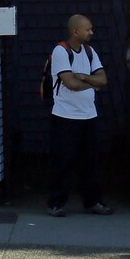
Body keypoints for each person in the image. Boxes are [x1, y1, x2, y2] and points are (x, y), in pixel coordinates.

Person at [44, 14, 112, 217]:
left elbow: (104, 79)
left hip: (89, 116)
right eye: (88, 29)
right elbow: (70, 84)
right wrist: (91, 82)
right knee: (63, 161)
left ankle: (93, 202)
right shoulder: (61, 51)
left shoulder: (90, 52)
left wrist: (83, 76)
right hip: (65, 117)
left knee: (91, 163)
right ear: (76, 32)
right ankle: (56, 203)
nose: (91, 32)